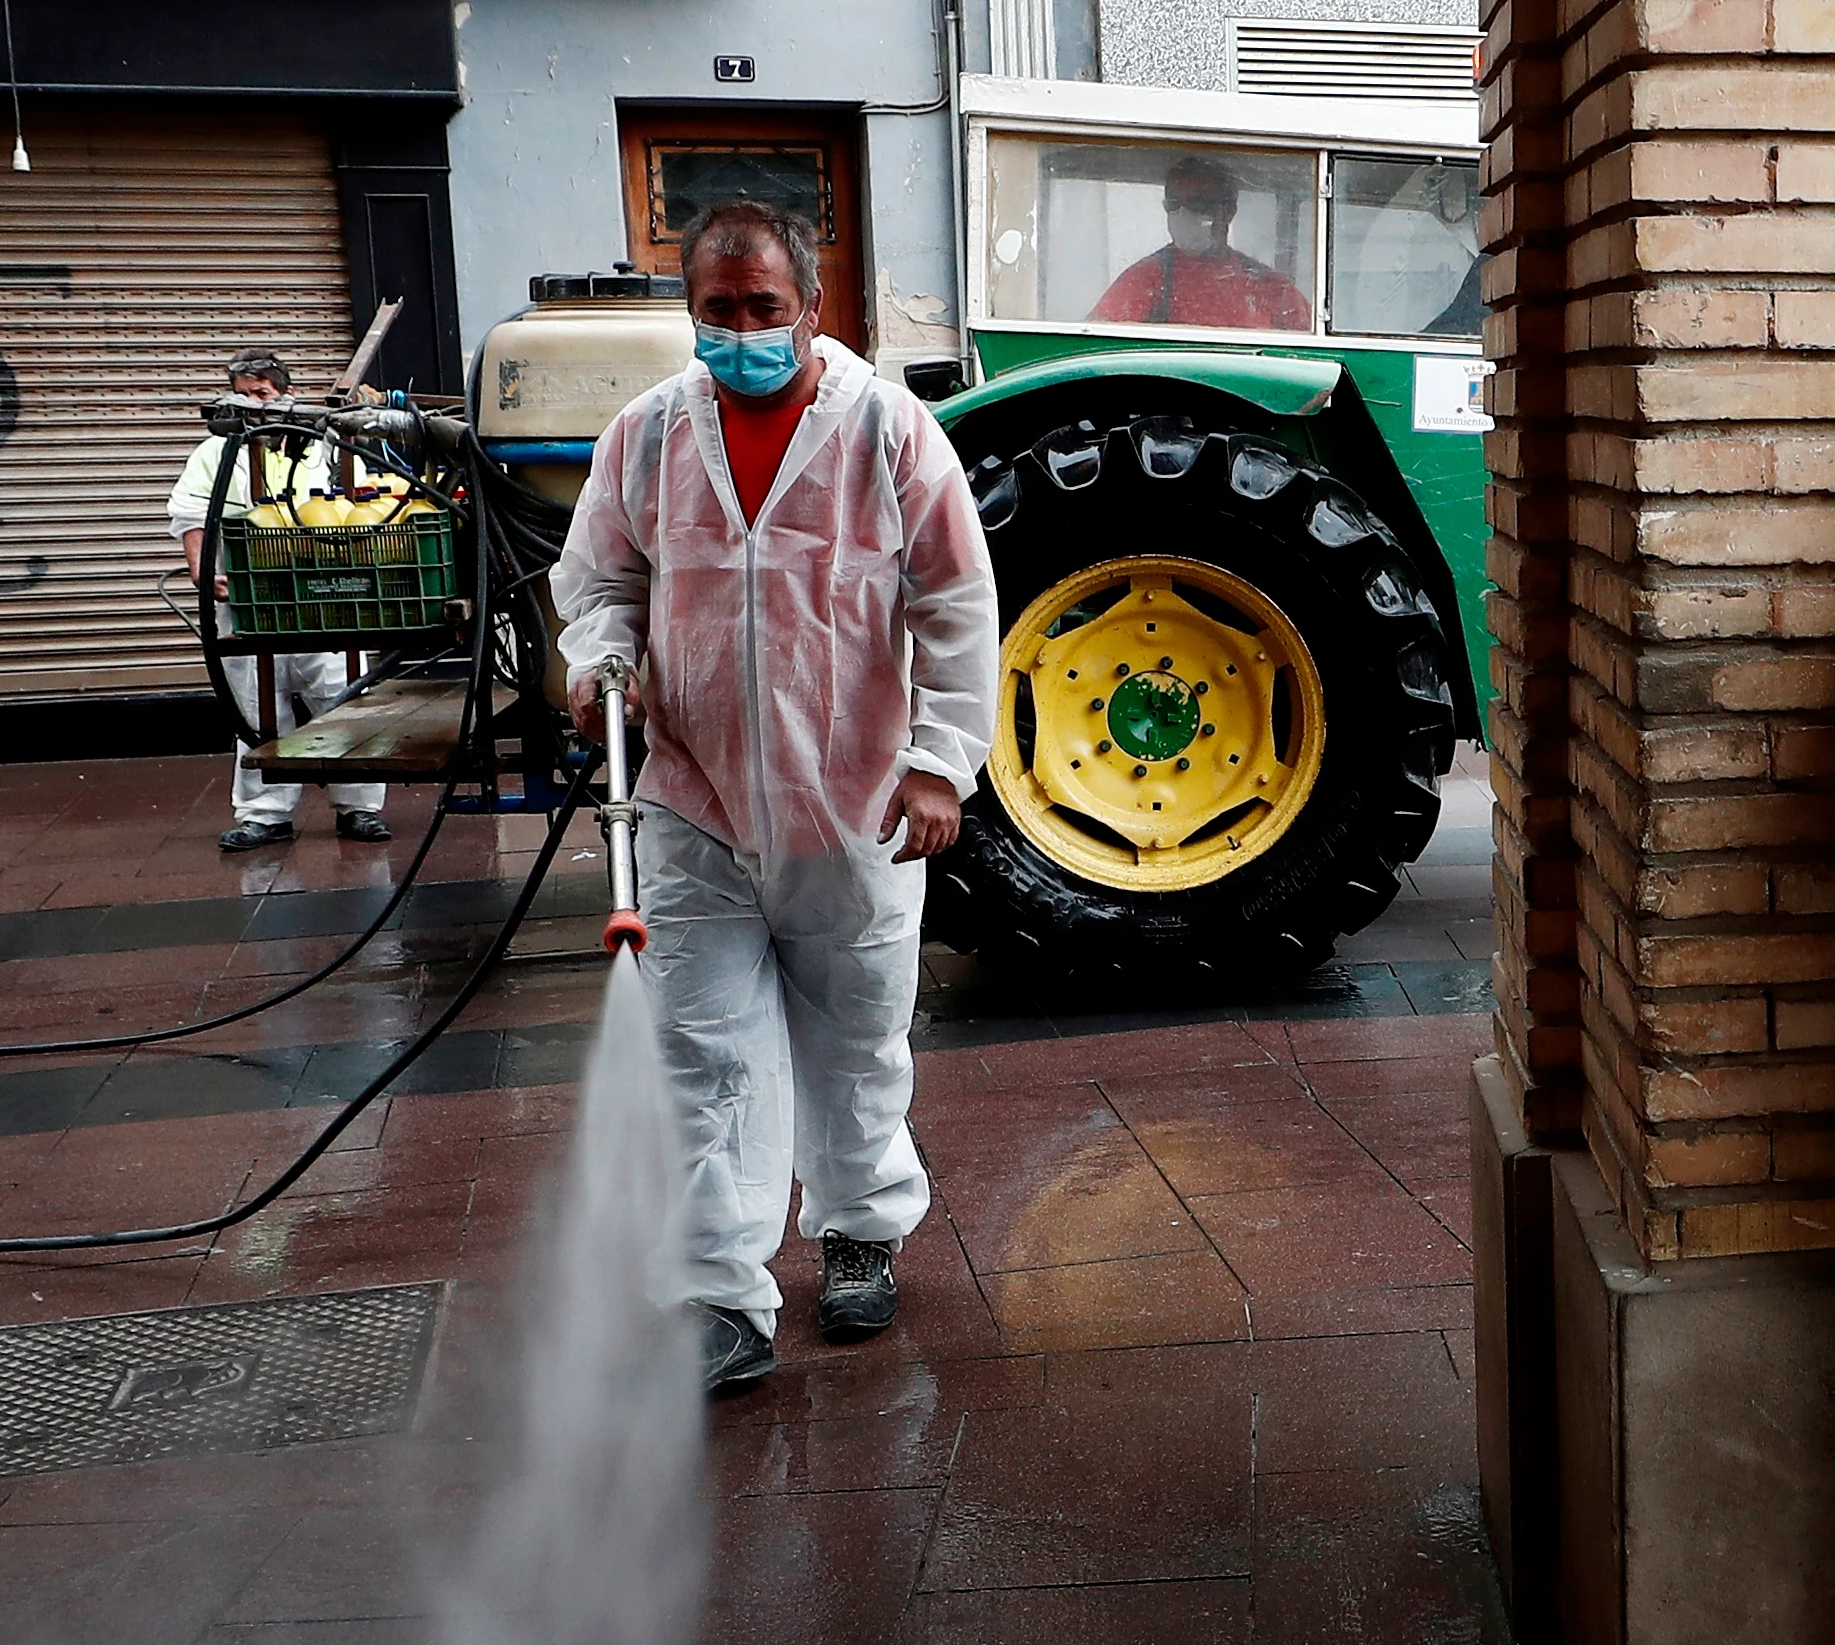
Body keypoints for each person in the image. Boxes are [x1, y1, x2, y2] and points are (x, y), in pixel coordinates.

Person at [553, 203, 997, 1393]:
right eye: (718, 312)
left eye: (764, 310)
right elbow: (598, 580)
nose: (741, 331)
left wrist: (940, 760)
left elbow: (956, 606)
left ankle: (859, 1230)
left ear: (811, 306)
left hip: (854, 800)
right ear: (689, 310)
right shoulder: (645, 437)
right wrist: (598, 657)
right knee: (701, 1055)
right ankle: (722, 1294)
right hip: (690, 794)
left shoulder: (890, 434)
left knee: (855, 1042)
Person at [170, 350, 393, 853]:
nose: (252, 406)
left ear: (286, 395)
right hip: (249, 603)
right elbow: (190, 513)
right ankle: (265, 815)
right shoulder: (214, 452)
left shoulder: (322, 447)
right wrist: (204, 571)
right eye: (243, 395)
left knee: (341, 698)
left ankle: (359, 808)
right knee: (256, 711)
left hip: (322, 599)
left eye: (262, 395)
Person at [1087, 155, 1315, 332]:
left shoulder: (1271, 288)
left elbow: (1312, 352)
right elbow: (1096, 337)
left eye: (1196, 202)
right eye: (1174, 204)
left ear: (1228, 211)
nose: (1183, 213)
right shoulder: (1148, 279)